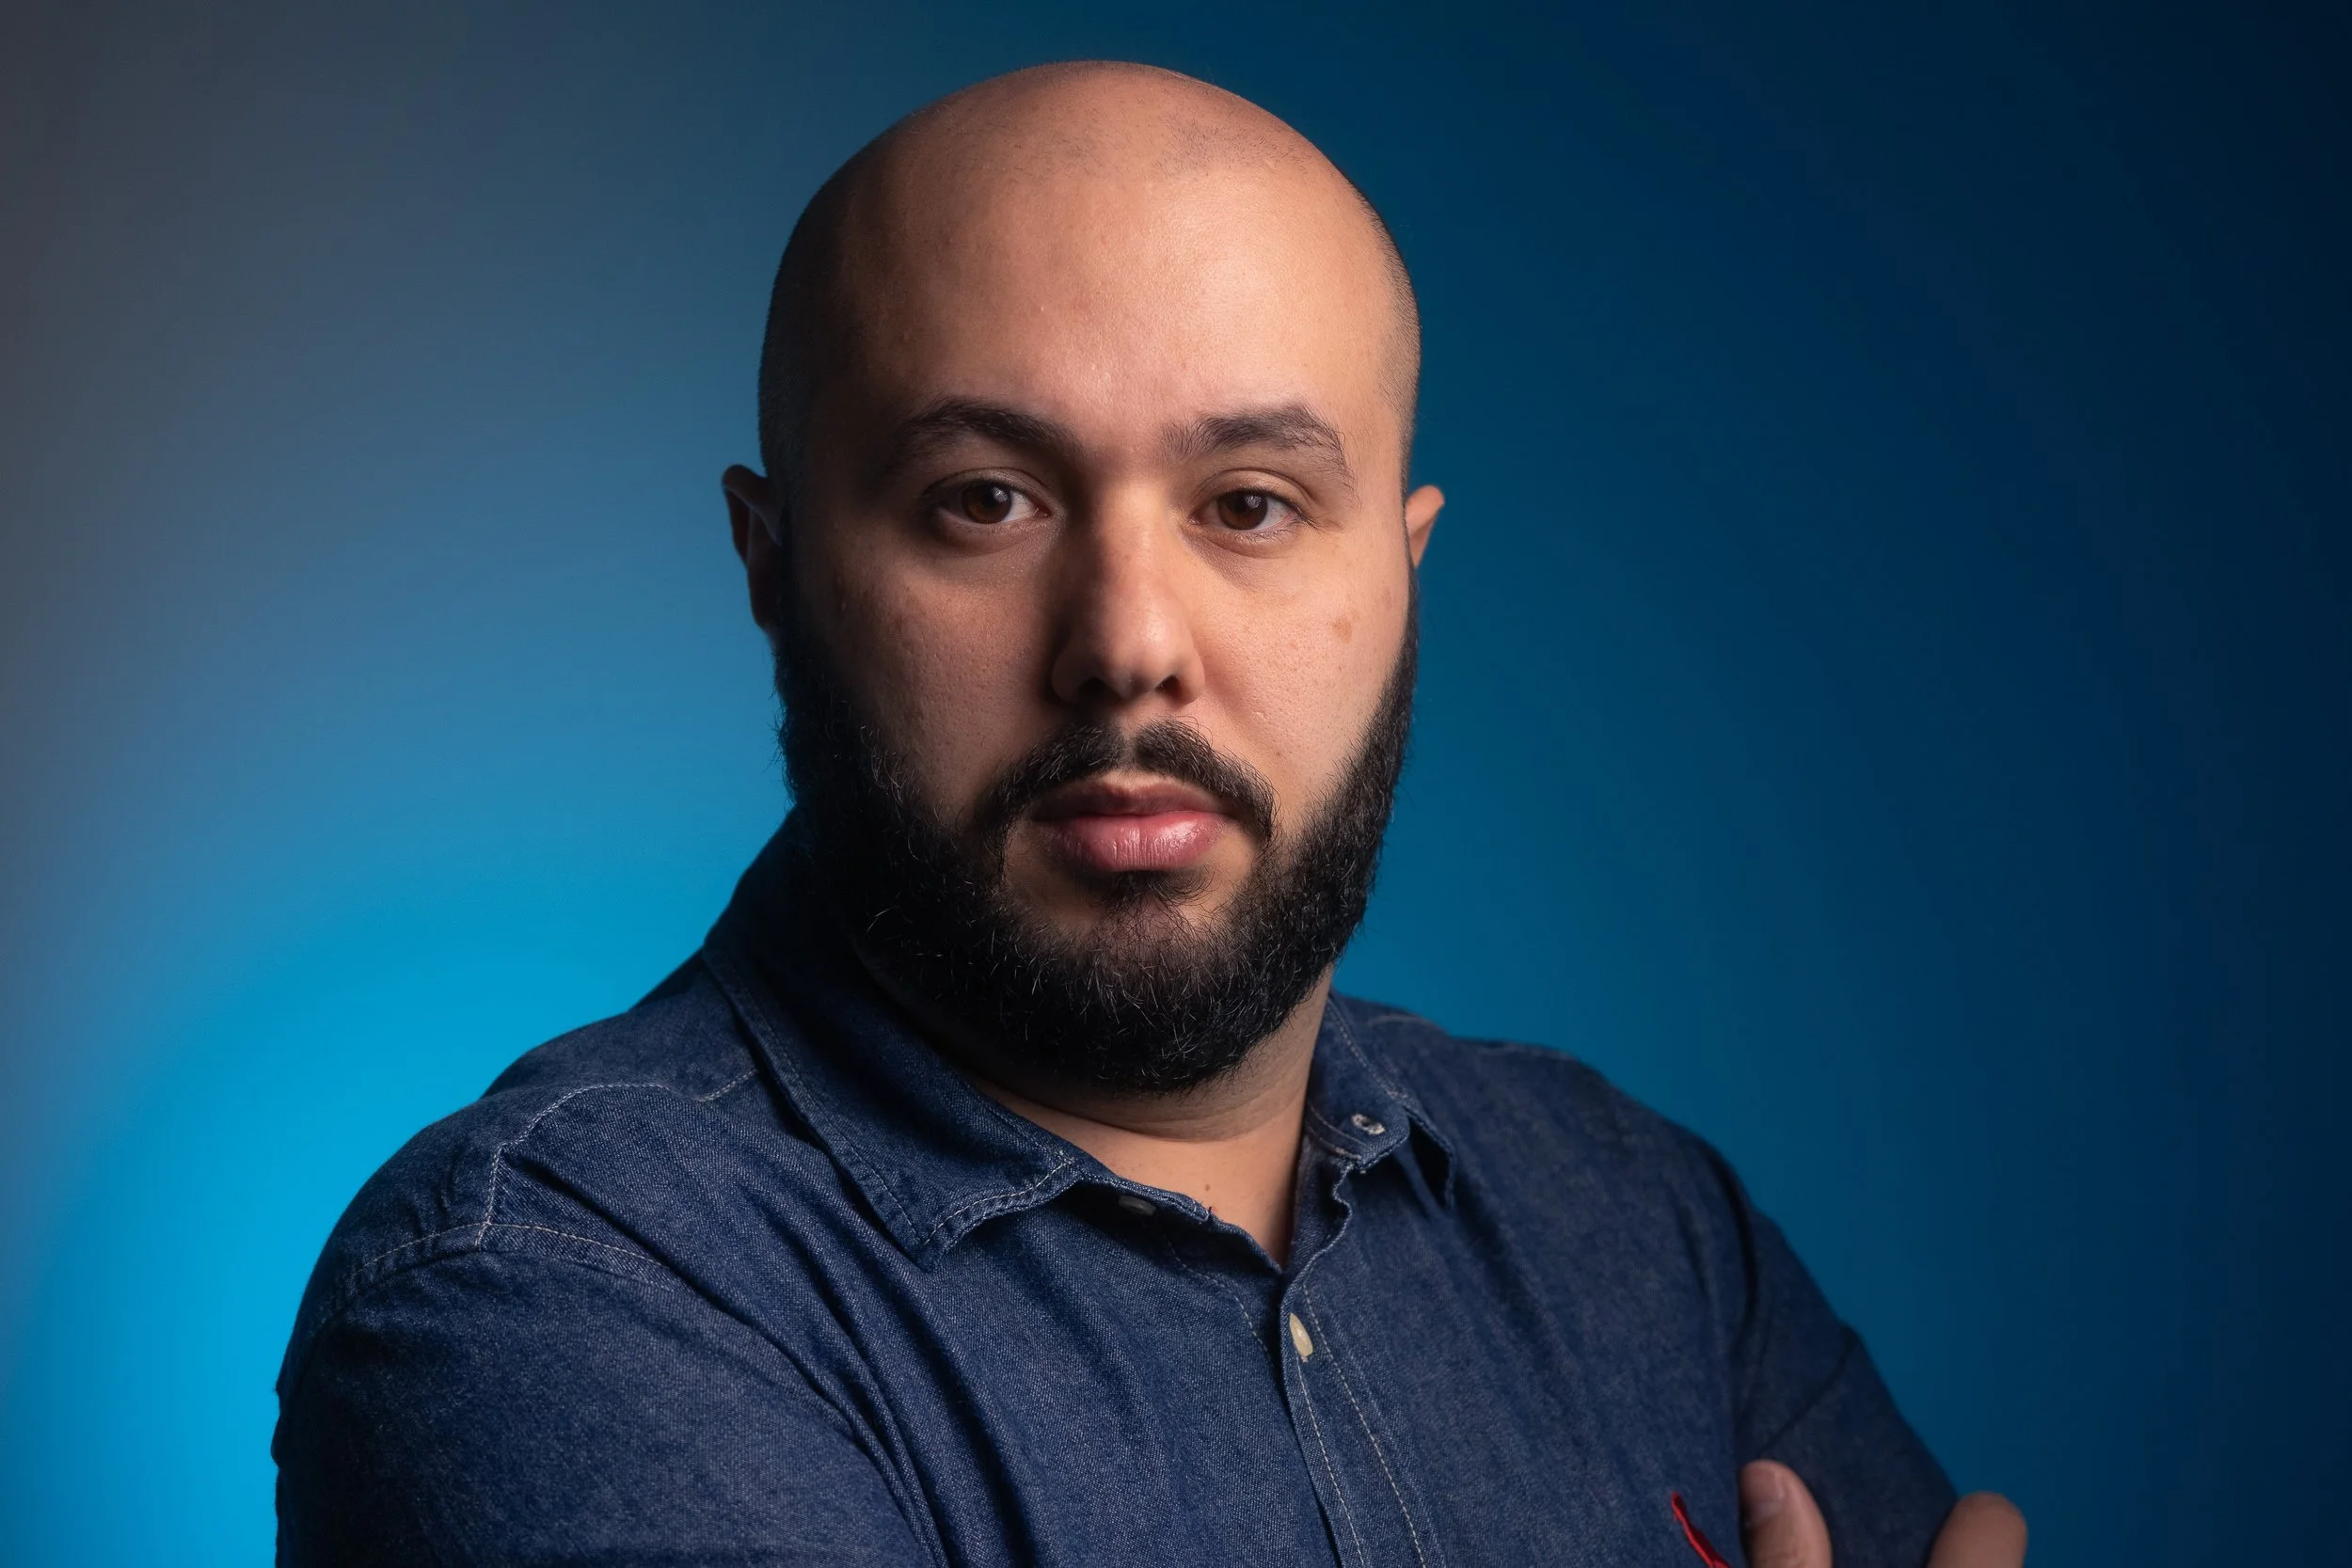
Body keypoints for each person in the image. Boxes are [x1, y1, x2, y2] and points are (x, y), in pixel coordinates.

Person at [274, 61, 2025, 1568]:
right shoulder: (546, 1296)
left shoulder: (1636, 1220)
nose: (1128, 645)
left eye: (1251, 504)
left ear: (1402, 577)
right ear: (775, 563)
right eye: (987, 499)